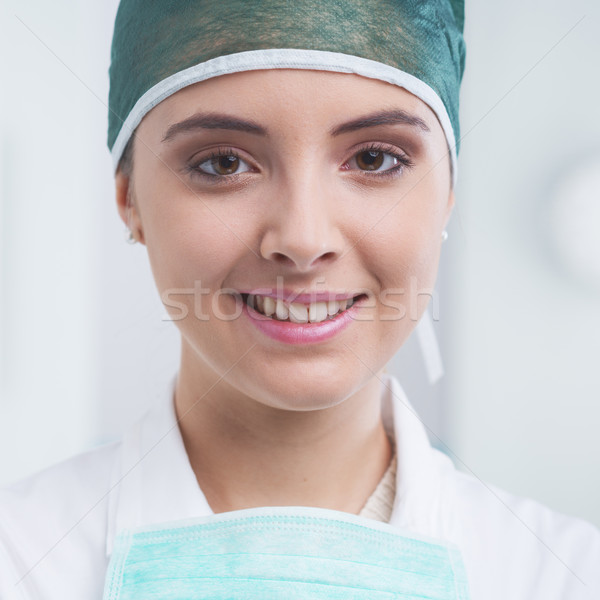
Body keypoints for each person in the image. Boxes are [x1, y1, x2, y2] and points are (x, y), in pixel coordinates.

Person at [1, 1, 599, 599]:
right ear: (130, 200)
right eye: (223, 162)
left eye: (375, 159)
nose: (303, 239)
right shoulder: (22, 559)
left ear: (446, 195)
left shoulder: (565, 574)